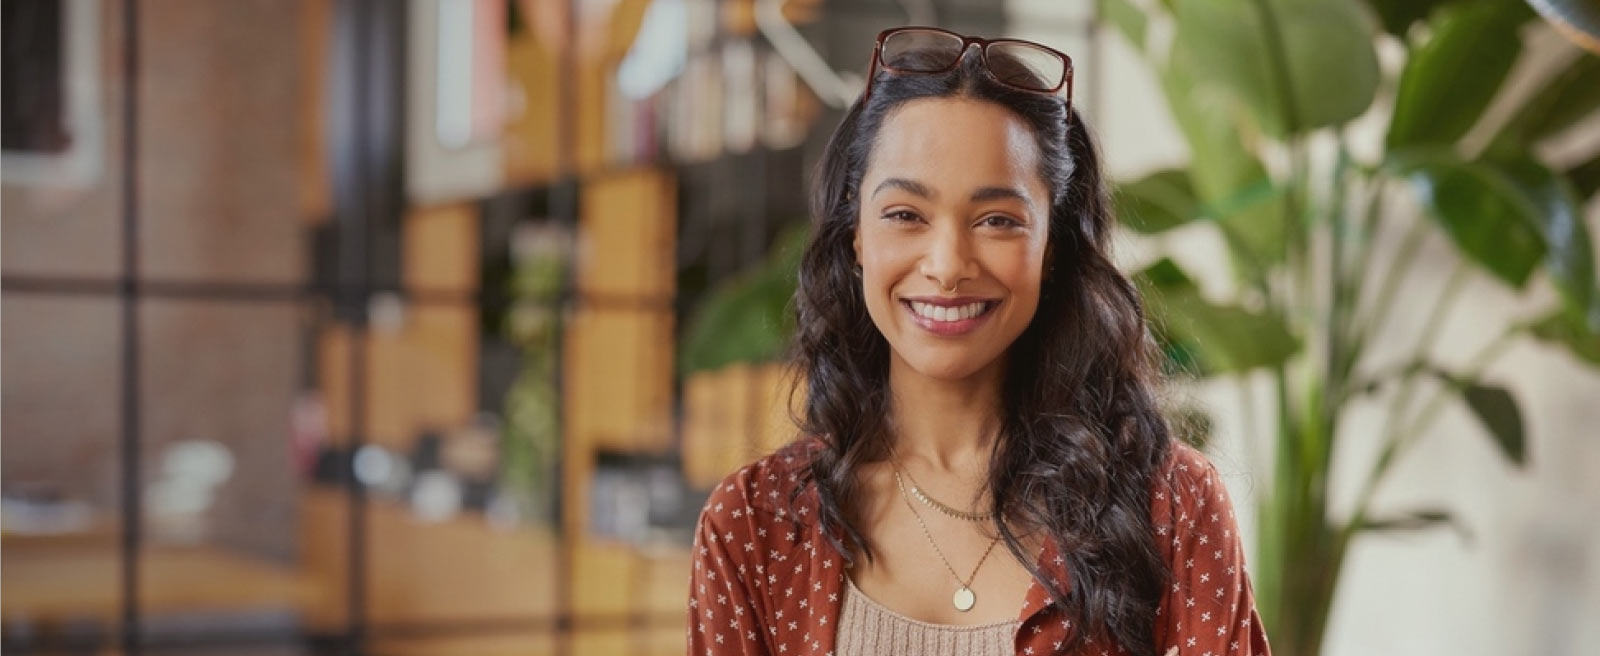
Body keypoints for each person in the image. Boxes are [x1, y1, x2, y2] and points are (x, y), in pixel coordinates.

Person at [686, 26, 1271, 656]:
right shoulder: (754, 524)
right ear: (856, 234)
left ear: (1052, 246)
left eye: (997, 220)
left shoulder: (1170, 507)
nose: (947, 266)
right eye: (905, 215)